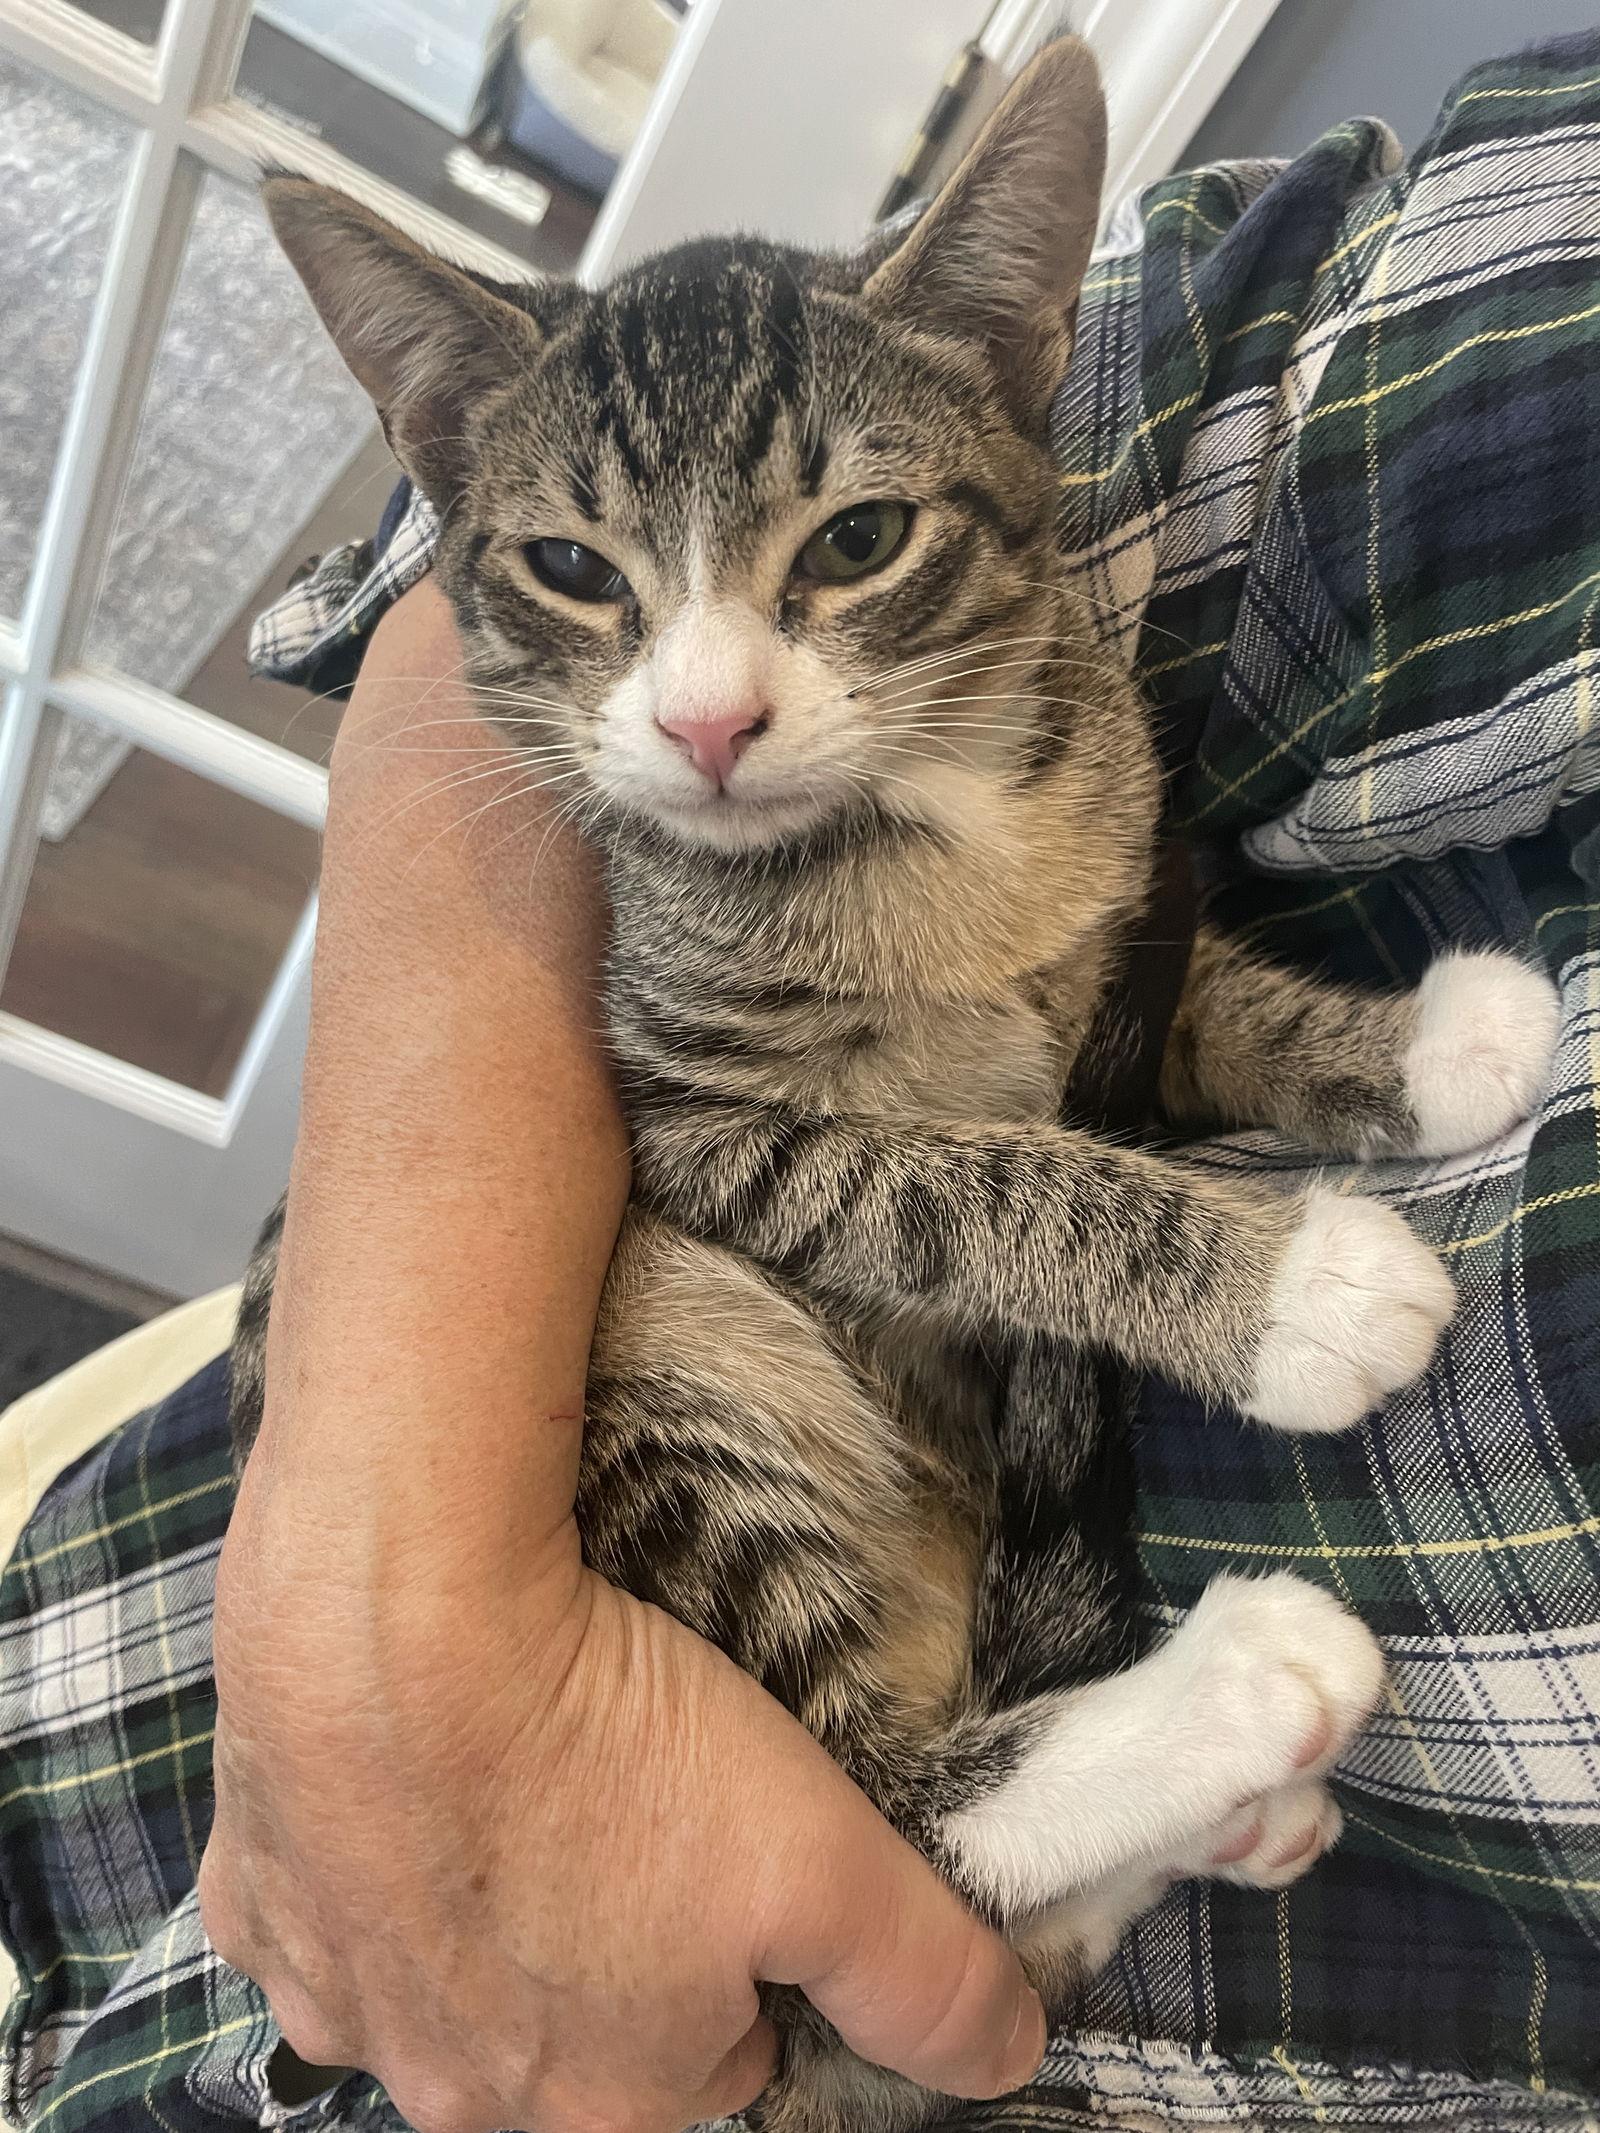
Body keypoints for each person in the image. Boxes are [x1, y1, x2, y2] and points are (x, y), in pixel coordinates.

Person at [4, 32, 1599, 2133]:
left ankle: (1016, 1815)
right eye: (582, 579)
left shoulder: (1032, 721)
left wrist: (1358, 1069)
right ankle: (995, 1803)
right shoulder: (691, 801)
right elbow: (712, 1110)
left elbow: (1099, 1008)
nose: (701, 708)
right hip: (351, 1655)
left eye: (836, 545)